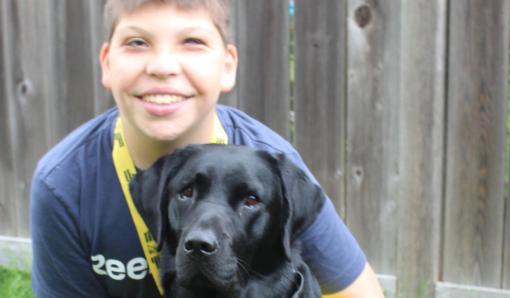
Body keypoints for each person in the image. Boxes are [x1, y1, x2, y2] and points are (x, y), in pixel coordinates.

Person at [30, 0, 385, 297]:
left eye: (192, 42)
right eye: (137, 42)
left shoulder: (272, 166)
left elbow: (359, 292)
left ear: (227, 66)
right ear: (107, 63)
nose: (163, 66)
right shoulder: (64, 184)